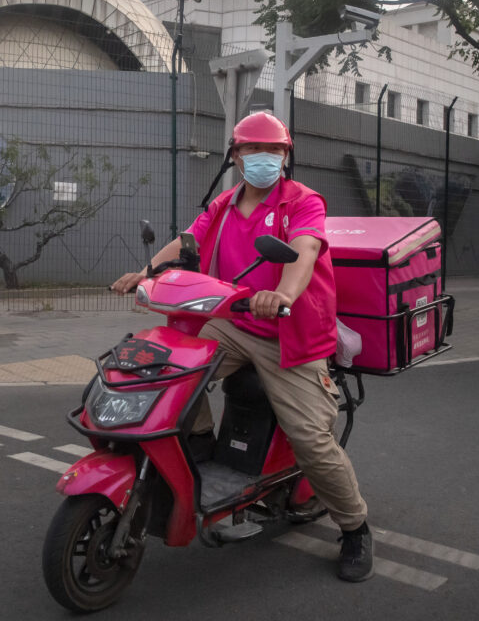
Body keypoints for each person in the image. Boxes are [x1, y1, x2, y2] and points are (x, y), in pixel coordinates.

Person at [111, 111, 373, 583]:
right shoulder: (225, 206)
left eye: (275, 151)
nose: (265, 158)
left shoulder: (303, 202)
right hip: (233, 325)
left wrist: (283, 296)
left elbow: (306, 249)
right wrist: (146, 271)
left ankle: (354, 526)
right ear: (235, 156)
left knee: (312, 440)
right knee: (172, 372)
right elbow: (188, 239)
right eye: (254, 150)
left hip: (289, 333)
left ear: (286, 156)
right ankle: (202, 445)